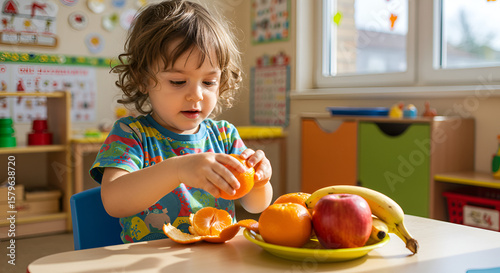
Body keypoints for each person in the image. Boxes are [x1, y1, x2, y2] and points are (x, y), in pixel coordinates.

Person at [90, 0, 273, 243]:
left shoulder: (224, 135)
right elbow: (114, 202)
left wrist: (260, 181)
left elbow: (254, 205)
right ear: (143, 79)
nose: (196, 95)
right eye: (177, 81)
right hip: (149, 261)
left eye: (209, 82)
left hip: (212, 258)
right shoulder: (131, 133)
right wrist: (178, 169)